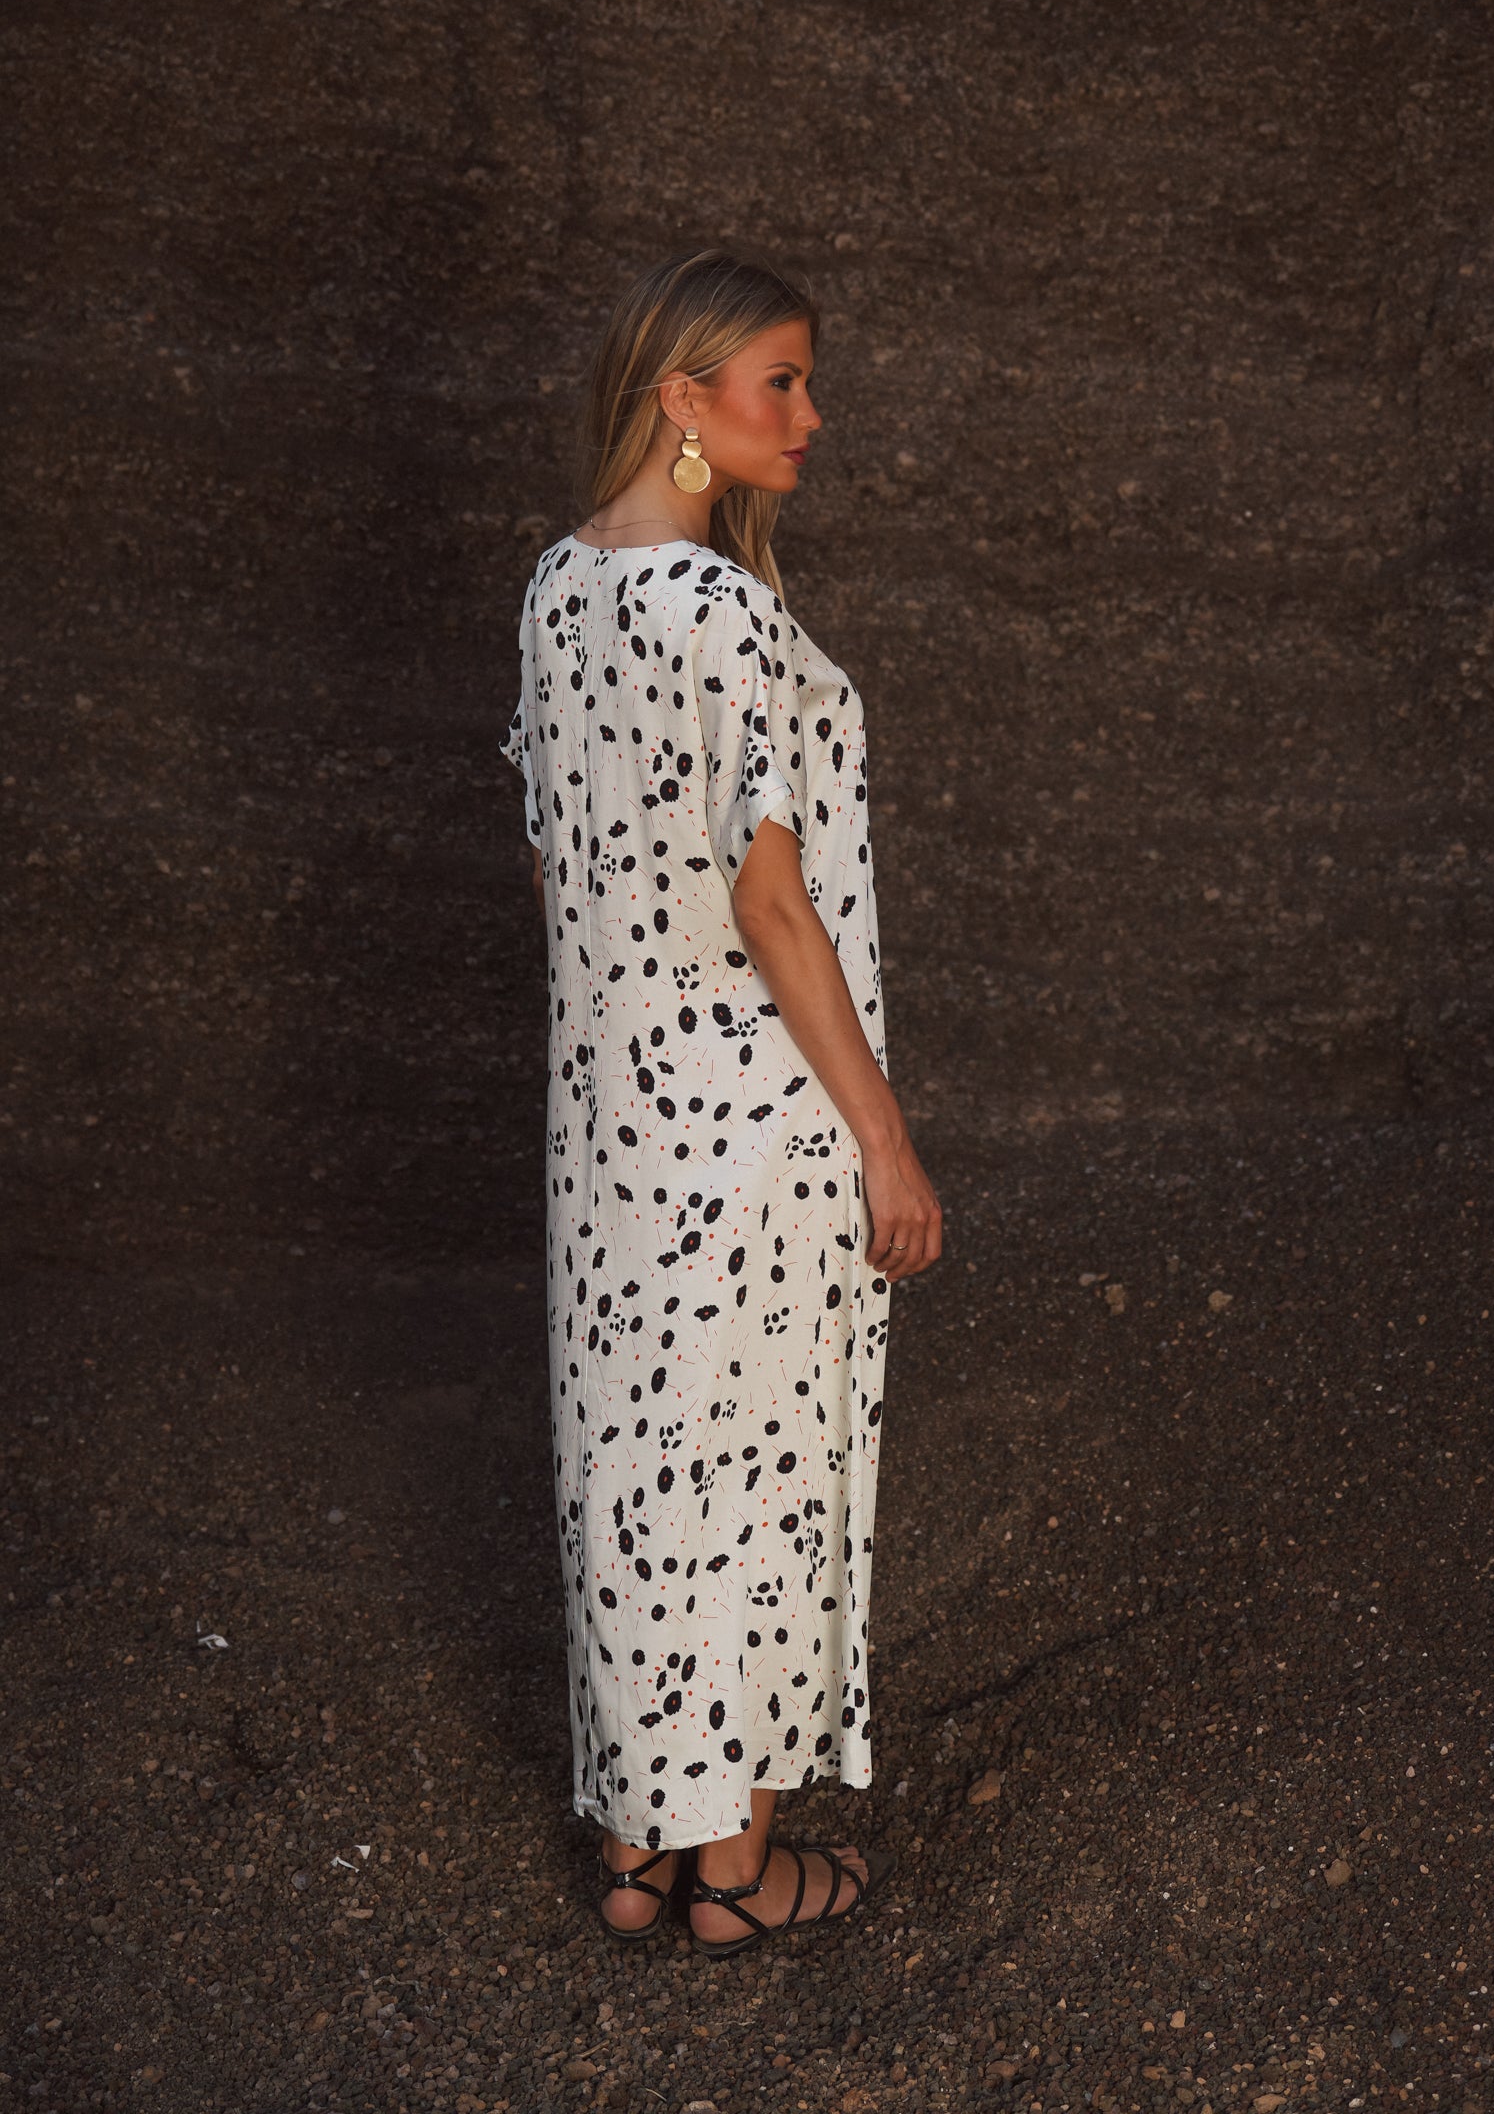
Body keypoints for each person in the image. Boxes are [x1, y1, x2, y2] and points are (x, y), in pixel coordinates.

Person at [500, 245, 941, 1957]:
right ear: (684, 398)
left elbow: (567, 867)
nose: (811, 416)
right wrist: (883, 1136)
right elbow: (770, 904)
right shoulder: (722, 612)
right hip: (754, 1122)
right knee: (757, 1474)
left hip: (612, 1127)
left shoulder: (557, 588)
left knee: (636, 1467)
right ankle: (737, 1878)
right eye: (783, 383)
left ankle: (637, 1853)